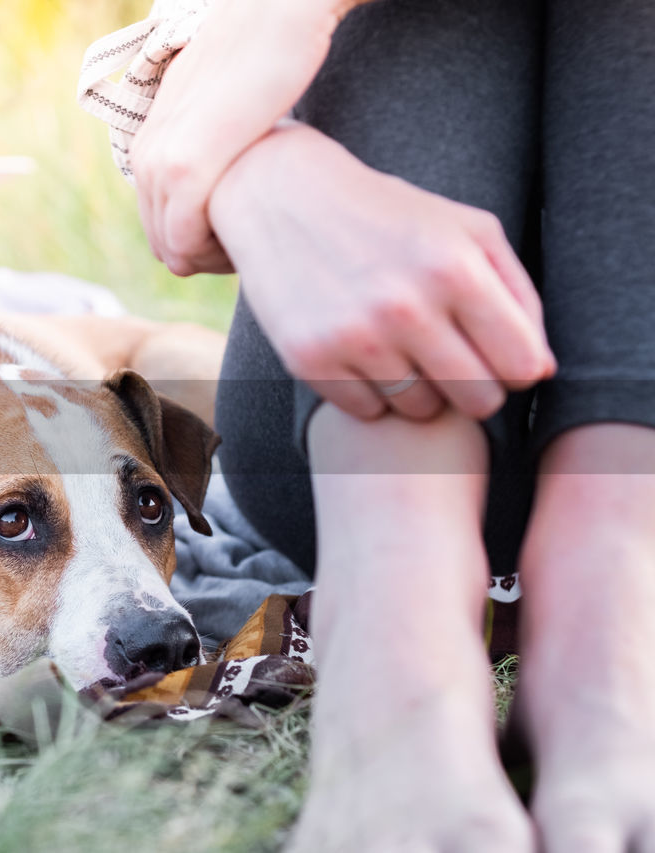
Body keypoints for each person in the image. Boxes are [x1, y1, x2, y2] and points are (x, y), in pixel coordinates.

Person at [81, 0, 655, 849]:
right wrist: (272, 168)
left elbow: (203, 122)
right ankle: (396, 619)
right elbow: (165, 114)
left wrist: (254, 143)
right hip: (345, 439)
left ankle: (611, 600)